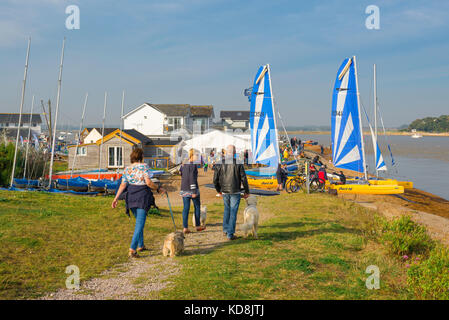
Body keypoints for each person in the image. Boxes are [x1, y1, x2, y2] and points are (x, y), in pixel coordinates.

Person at [112, 148, 166, 258]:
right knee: (140, 223)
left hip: (131, 196)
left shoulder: (127, 169)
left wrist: (116, 198)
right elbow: (148, 182)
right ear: (141, 157)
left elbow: (123, 185)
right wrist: (158, 188)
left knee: (138, 221)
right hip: (142, 196)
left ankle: (141, 245)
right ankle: (132, 248)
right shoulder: (144, 166)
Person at [213, 145, 250, 240]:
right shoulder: (238, 163)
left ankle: (226, 229)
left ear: (226, 152)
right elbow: (243, 178)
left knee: (227, 210)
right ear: (234, 153)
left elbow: (215, 180)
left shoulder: (219, 163)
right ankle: (230, 233)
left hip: (225, 190)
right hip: (235, 190)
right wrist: (247, 191)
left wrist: (219, 190)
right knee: (233, 212)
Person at [180, 149, 206, 234]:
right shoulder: (193, 165)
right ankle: (198, 226)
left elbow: (181, 174)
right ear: (192, 155)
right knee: (197, 207)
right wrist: (194, 191)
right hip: (192, 189)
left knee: (186, 209)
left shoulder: (183, 164)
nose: (198, 157)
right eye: (197, 155)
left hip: (184, 188)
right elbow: (192, 178)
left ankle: (185, 227)